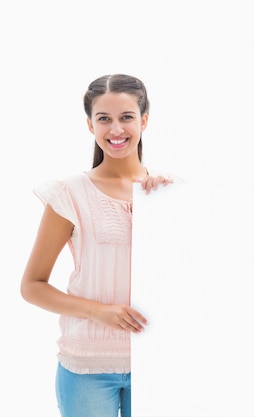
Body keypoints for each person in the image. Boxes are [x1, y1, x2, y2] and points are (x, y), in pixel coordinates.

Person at [21, 74, 172, 417]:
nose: (115, 129)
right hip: (88, 365)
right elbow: (32, 286)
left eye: (127, 117)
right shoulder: (69, 194)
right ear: (90, 125)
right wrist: (98, 311)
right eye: (104, 118)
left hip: (160, 363)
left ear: (144, 121)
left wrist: (171, 203)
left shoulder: (170, 192)